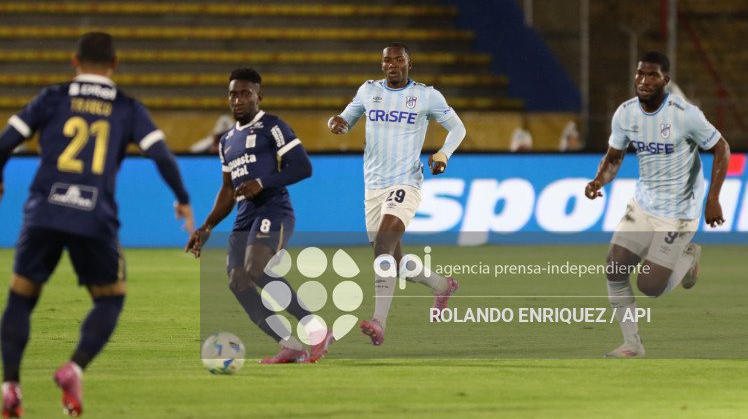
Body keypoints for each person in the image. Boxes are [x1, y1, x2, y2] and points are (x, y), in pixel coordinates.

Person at [0, 32, 194, 417]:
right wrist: (183, 199)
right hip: (94, 213)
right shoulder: (128, 107)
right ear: (115, 64)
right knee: (110, 297)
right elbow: (162, 156)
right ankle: (74, 368)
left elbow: (5, 141)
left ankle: (10, 387)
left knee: (21, 298)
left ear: (74, 62)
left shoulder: (52, 96)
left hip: (44, 210)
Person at [585, 50, 730, 358]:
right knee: (614, 268)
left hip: (679, 213)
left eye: (652, 75)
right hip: (643, 205)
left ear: (665, 79)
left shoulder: (684, 114)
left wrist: (713, 198)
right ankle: (632, 344)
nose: (644, 80)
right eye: (640, 74)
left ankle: (688, 258)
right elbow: (614, 158)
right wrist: (599, 180)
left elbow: (721, 148)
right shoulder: (625, 114)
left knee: (649, 286)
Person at [186, 68, 334, 364]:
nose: (238, 99)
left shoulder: (272, 126)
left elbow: (303, 167)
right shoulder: (227, 141)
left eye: (244, 93)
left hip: (274, 209)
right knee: (238, 280)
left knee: (256, 267)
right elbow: (227, 189)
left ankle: (316, 330)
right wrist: (206, 226)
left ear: (258, 96)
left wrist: (263, 182)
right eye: (233, 94)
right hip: (244, 217)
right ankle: (289, 345)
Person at [328, 42, 467, 346]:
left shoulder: (426, 95)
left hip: (406, 182)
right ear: (382, 66)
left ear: (409, 64)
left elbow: (458, 128)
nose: (392, 64)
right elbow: (344, 119)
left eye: (399, 60)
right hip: (373, 187)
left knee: (382, 248)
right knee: (397, 262)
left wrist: (443, 154)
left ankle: (378, 322)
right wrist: (335, 123)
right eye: (387, 60)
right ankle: (442, 286)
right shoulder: (368, 91)